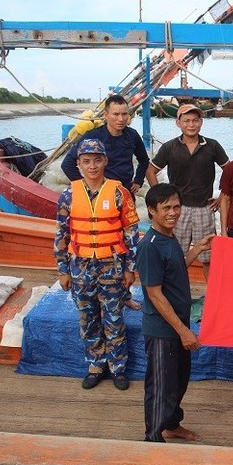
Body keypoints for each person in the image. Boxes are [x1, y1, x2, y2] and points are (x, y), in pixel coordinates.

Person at [54, 139, 140, 391]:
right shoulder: (68, 195)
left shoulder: (119, 194)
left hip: (111, 265)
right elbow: (61, 234)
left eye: (97, 160)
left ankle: (117, 368)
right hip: (80, 266)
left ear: (105, 161)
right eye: (86, 161)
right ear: (78, 164)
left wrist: (130, 268)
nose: (92, 166)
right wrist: (62, 269)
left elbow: (132, 234)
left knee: (114, 318)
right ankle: (95, 364)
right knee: (88, 317)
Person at [137, 183, 213, 443]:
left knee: (178, 383)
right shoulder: (150, 246)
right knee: (161, 388)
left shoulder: (169, 237)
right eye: (166, 208)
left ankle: (171, 425)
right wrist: (183, 331)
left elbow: (176, 267)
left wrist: (198, 248)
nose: (173, 212)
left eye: (177, 206)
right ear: (151, 211)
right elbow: (155, 294)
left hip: (179, 326)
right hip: (163, 331)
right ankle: (153, 438)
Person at [61, 94, 149, 310]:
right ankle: (94, 293)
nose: (120, 118)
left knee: (124, 244)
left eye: (124, 114)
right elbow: (68, 164)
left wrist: (137, 180)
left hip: (122, 195)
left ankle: (124, 295)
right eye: (116, 114)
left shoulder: (131, 136)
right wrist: (85, 188)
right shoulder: (94, 136)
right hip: (98, 197)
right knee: (98, 245)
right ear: (106, 115)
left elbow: (144, 160)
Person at [146, 104, 229, 281]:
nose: (191, 125)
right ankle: (173, 291)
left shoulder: (212, 146)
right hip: (177, 210)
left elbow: (229, 171)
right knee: (174, 254)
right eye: (186, 121)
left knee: (208, 258)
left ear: (201, 122)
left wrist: (222, 196)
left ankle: (210, 297)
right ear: (178, 123)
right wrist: (159, 197)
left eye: (195, 121)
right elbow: (150, 171)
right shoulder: (170, 147)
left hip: (204, 209)